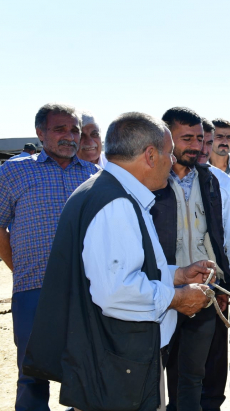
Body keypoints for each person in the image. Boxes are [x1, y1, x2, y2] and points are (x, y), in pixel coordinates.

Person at [22, 112, 214, 411]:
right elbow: (117, 292)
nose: (171, 161)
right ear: (151, 155)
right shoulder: (115, 204)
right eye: (168, 153)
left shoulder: (110, 191)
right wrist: (178, 298)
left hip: (117, 358)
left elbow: (123, 270)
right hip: (118, 361)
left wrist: (177, 274)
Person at [0, 103, 98, 411]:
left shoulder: (94, 175)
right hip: (34, 289)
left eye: (74, 130)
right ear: (40, 133)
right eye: (60, 129)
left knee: (85, 369)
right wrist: (18, 268)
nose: (70, 136)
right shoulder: (13, 171)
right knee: (33, 373)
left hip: (87, 292)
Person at [151, 107, 230, 411]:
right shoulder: (150, 181)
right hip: (161, 293)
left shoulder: (209, 180)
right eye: (187, 138)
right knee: (158, 375)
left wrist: (224, 283)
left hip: (203, 292)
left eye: (201, 138)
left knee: (195, 375)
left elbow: (217, 237)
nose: (198, 146)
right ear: (166, 138)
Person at [197, 118, 230, 411]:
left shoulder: (225, 181)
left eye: (206, 140)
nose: (203, 147)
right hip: (175, 281)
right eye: (196, 140)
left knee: (216, 350)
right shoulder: (162, 178)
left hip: (216, 277)